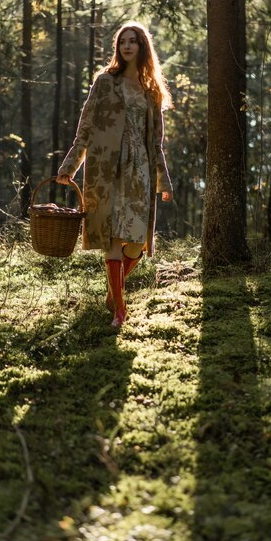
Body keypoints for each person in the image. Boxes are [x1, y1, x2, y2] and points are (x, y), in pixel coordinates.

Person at [56, 21, 173, 328]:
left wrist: (163, 179)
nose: (127, 46)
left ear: (142, 47)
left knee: (136, 243)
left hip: (139, 169)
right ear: (118, 48)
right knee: (114, 236)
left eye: (133, 41)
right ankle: (119, 309)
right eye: (123, 41)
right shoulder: (104, 82)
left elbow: (157, 140)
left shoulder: (152, 92)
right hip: (107, 169)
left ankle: (114, 291)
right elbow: (86, 127)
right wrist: (70, 165)